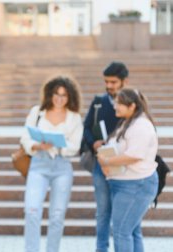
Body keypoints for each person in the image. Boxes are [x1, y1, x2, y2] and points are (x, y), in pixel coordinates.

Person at [21, 76, 83, 252]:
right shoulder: (37, 112)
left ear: (70, 97)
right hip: (39, 164)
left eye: (64, 95)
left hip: (62, 167)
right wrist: (37, 145)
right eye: (56, 94)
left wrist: (58, 145)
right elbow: (25, 137)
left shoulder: (74, 118)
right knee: (32, 211)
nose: (59, 98)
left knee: (57, 216)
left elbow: (75, 146)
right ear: (50, 94)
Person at [97, 88, 158, 252]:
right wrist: (105, 161)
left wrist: (107, 161)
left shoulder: (141, 125)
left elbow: (134, 155)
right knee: (132, 231)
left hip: (135, 185)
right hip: (126, 183)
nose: (115, 107)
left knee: (121, 232)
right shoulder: (128, 122)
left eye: (119, 104)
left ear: (131, 106)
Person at [82, 61, 128, 252]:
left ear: (124, 81)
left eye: (113, 82)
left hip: (125, 167)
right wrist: (93, 143)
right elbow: (85, 128)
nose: (109, 86)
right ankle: (101, 249)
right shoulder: (98, 102)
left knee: (124, 215)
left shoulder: (133, 102)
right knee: (102, 213)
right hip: (101, 165)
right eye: (106, 82)